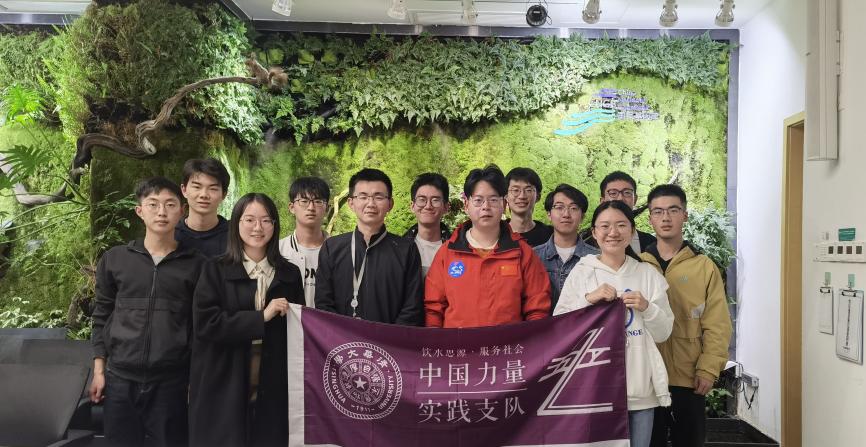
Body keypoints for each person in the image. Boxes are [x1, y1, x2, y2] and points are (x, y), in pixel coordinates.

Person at [90, 177, 206, 447]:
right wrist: (99, 370)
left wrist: (194, 379)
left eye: (170, 204)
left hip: (172, 382)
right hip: (120, 378)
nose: (161, 212)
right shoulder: (115, 259)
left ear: (182, 211)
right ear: (139, 211)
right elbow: (101, 315)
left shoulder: (197, 264)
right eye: (153, 204)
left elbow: (200, 327)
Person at [555, 200, 673, 447]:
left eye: (621, 225)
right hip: (593, 390)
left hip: (640, 390)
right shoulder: (583, 271)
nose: (613, 232)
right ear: (594, 231)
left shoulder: (647, 274)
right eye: (605, 226)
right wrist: (588, 299)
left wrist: (647, 307)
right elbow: (560, 328)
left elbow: (663, 333)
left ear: (632, 230)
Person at [189, 193, 304, 447]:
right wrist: (261, 316)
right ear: (236, 224)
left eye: (266, 220)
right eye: (249, 220)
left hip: (274, 375)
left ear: (274, 225)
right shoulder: (215, 269)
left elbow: (299, 331)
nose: (257, 228)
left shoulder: (289, 274)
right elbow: (206, 324)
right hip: (225, 373)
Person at [642, 185, 733, 447]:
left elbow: (717, 324)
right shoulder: (639, 265)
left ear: (685, 215)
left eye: (673, 210)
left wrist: (708, 368)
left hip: (690, 377)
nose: (665, 218)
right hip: (647, 377)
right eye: (658, 211)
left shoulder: (704, 267)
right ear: (650, 218)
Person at [425, 164, 551, 328]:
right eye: (478, 200)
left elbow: (537, 308)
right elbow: (433, 309)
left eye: (493, 200)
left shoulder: (522, 252)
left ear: (504, 204)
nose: (486, 207)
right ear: (466, 205)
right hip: (457, 344)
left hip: (508, 344)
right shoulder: (448, 253)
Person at [315, 168, 423, 325]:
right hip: (342, 339)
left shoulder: (407, 250)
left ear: (390, 204)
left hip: (391, 339)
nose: (371, 204)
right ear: (351, 203)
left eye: (378, 197)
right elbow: (323, 303)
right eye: (363, 197)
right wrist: (344, 334)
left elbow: (412, 307)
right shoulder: (331, 248)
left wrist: (384, 337)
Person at [533, 184, 599, 311]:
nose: (566, 214)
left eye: (573, 208)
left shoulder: (596, 258)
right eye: (559, 207)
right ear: (549, 214)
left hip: (583, 323)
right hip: (543, 323)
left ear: (582, 216)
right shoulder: (533, 257)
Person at [279, 176, 330, 307]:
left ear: (327, 208)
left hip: (327, 319)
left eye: (318, 201)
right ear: (291, 207)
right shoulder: (278, 250)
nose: (311, 207)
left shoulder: (340, 252)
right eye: (304, 201)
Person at [583, 171, 656, 253]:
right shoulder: (585, 247)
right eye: (613, 193)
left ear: (635, 199)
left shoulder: (652, 244)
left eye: (627, 193)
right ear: (602, 201)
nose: (620, 198)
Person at [175, 158, 231, 257]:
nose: (204, 195)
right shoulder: (170, 235)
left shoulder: (235, 236)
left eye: (213, 188)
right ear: (184, 190)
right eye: (197, 187)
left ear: (224, 194)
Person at [403, 172, 451, 277]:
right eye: (422, 200)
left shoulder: (457, 249)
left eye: (435, 200)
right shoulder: (399, 249)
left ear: (446, 207)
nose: (428, 206)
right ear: (412, 206)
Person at [505, 167, 553, 247]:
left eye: (528, 190)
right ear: (506, 196)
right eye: (515, 190)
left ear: (538, 196)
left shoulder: (551, 236)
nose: (522, 196)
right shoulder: (495, 233)